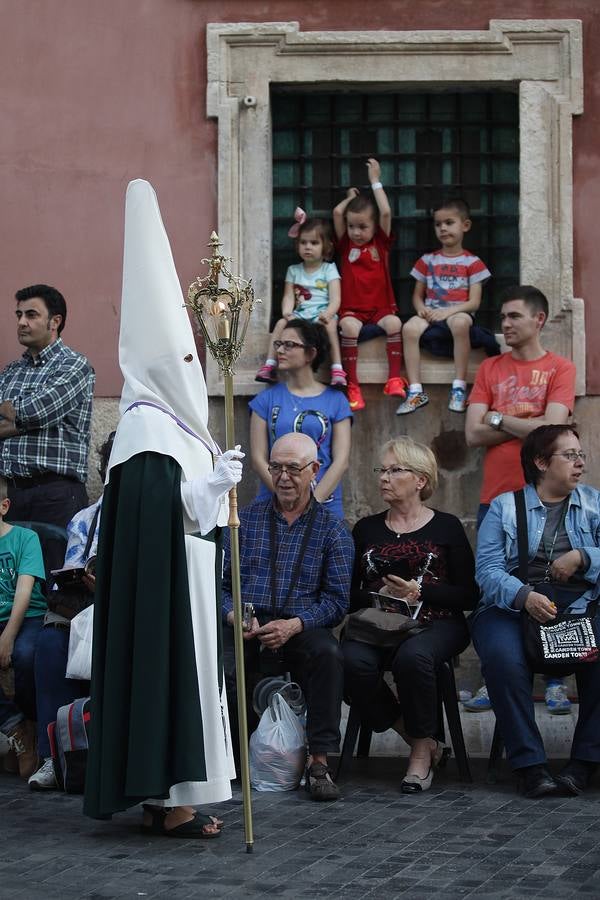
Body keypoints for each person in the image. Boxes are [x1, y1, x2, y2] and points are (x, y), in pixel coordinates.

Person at [84, 179, 242, 838]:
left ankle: (177, 793)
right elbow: (167, 512)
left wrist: (214, 477)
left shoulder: (174, 422)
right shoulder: (147, 425)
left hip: (192, 575)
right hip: (173, 583)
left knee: (198, 681)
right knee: (176, 674)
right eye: (180, 353)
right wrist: (212, 486)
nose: (190, 363)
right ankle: (170, 798)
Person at [222, 432, 354, 801]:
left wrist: (296, 624)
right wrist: (232, 614)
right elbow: (218, 585)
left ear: (314, 470)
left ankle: (318, 761)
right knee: (221, 658)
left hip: (300, 625)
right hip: (249, 622)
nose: (283, 477)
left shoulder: (333, 530)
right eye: (275, 467)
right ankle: (227, 757)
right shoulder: (241, 522)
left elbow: (336, 601)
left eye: (293, 469)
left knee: (328, 655)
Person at [342, 437, 478, 793]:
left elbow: (469, 595)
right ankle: (416, 734)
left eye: (395, 470)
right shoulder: (366, 529)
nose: (384, 477)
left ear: (420, 480)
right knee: (348, 660)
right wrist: (379, 594)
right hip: (378, 625)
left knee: (413, 657)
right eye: (382, 470)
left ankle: (420, 753)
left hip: (438, 623)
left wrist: (420, 591)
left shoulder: (447, 527)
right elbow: (347, 595)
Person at [465, 284, 576, 715]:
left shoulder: (559, 368)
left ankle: (554, 679)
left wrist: (498, 416)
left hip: (549, 498)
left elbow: (555, 430)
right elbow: (474, 433)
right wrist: (531, 424)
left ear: (539, 319)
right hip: (497, 498)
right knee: (495, 589)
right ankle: (496, 678)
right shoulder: (491, 368)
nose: (505, 325)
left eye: (513, 316)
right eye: (503, 317)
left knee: (553, 587)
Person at [472, 425, 600, 798]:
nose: (579, 463)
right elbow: (488, 571)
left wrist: (583, 556)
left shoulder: (594, 504)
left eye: (581, 455)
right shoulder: (504, 507)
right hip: (512, 607)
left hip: (581, 605)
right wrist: (523, 595)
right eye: (570, 455)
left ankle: (584, 764)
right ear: (541, 462)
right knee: (501, 657)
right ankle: (531, 766)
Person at [28, 433, 114, 791]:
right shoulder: (85, 518)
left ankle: (110, 755)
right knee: (48, 645)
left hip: (128, 608)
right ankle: (54, 757)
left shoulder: (152, 515)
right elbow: (71, 569)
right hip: (83, 606)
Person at [0, 285, 95, 559]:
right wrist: (22, 417)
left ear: (55, 321)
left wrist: (16, 416)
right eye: (19, 314)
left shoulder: (74, 365)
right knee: (12, 583)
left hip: (56, 495)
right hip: (11, 495)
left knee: (55, 586)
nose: (21, 322)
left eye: (31, 315)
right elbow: (34, 415)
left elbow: (39, 410)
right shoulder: (11, 372)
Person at [397, 198, 491, 416]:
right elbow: (417, 295)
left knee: (460, 324)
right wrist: (421, 308)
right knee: (409, 328)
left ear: (465, 226)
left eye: (449, 222)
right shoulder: (427, 260)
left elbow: (474, 302)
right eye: (438, 224)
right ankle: (415, 390)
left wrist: (448, 312)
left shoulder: (473, 262)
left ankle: (459, 387)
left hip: (459, 312)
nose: (443, 228)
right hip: (431, 311)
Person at [250, 320, 352, 519]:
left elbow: (341, 461)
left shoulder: (336, 401)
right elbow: (257, 459)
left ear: (311, 353)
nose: (280, 350)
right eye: (278, 344)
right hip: (272, 507)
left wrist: (311, 504)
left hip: (324, 508)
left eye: (289, 345)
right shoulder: (265, 400)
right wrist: (286, 498)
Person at [333, 158, 406, 411]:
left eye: (363, 226)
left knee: (396, 324)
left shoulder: (380, 244)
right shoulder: (345, 246)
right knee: (349, 328)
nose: (356, 231)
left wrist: (375, 181)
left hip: (381, 308)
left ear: (375, 227)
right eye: (352, 226)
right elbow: (337, 214)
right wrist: (348, 198)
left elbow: (385, 211)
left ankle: (394, 379)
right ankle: (353, 385)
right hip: (353, 309)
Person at [255, 213, 346, 388]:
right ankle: (270, 365)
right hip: (301, 314)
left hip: (322, 315)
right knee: (281, 324)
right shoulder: (294, 270)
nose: (308, 247)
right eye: (303, 243)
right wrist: (287, 312)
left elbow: (336, 298)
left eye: (314, 243)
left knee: (332, 326)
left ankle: (337, 368)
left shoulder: (329, 269)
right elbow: (289, 296)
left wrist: (328, 314)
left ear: (326, 247)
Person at [0, 476, 47, 779]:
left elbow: (24, 591)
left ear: (4, 506)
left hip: (25, 615)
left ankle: (32, 724)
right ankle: (16, 725)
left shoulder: (24, 538)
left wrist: (7, 637)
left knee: (26, 655)